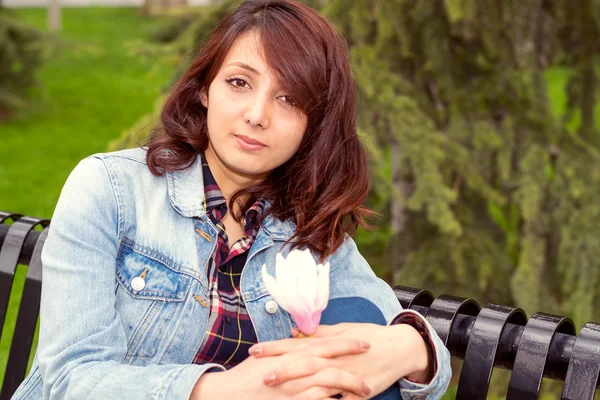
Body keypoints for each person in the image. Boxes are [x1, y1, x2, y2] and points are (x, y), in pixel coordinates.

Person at [12, 0, 451, 399]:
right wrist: (221, 390)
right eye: (240, 82)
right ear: (205, 89)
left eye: (289, 98)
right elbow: (69, 379)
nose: (257, 116)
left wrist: (413, 346)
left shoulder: (309, 230)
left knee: (362, 320)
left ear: (313, 124)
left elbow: (410, 349)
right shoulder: (110, 189)